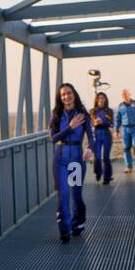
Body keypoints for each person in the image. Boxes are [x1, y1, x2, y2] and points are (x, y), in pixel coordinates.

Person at [49, 82, 95, 242]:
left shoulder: (82, 114)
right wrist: (70, 127)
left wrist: (89, 148)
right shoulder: (56, 114)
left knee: (75, 194)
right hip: (61, 159)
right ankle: (64, 230)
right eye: (63, 95)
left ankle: (78, 223)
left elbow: (91, 136)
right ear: (60, 98)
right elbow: (53, 138)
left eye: (68, 93)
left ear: (73, 94)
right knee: (63, 194)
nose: (66, 96)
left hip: (76, 159)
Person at [114, 89, 135, 173]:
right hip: (125, 129)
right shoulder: (120, 106)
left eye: (126, 94)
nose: (124, 96)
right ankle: (129, 167)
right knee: (126, 148)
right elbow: (118, 119)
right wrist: (116, 130)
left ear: (129, 94)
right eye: (123, 95)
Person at [91, 90, 114, 185]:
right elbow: (90, 123)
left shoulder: (109, 111)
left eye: (102, 98)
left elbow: (111, 124)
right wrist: (95, 123)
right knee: (97, 158)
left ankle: (107, 177)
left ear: (105, 100)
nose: (101, 100)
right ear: (96, 100)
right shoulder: (92, 111)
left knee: (106, 158)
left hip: (106, 135)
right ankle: (98, 172)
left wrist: (103, 122)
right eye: (99, 98)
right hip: (96, 135)